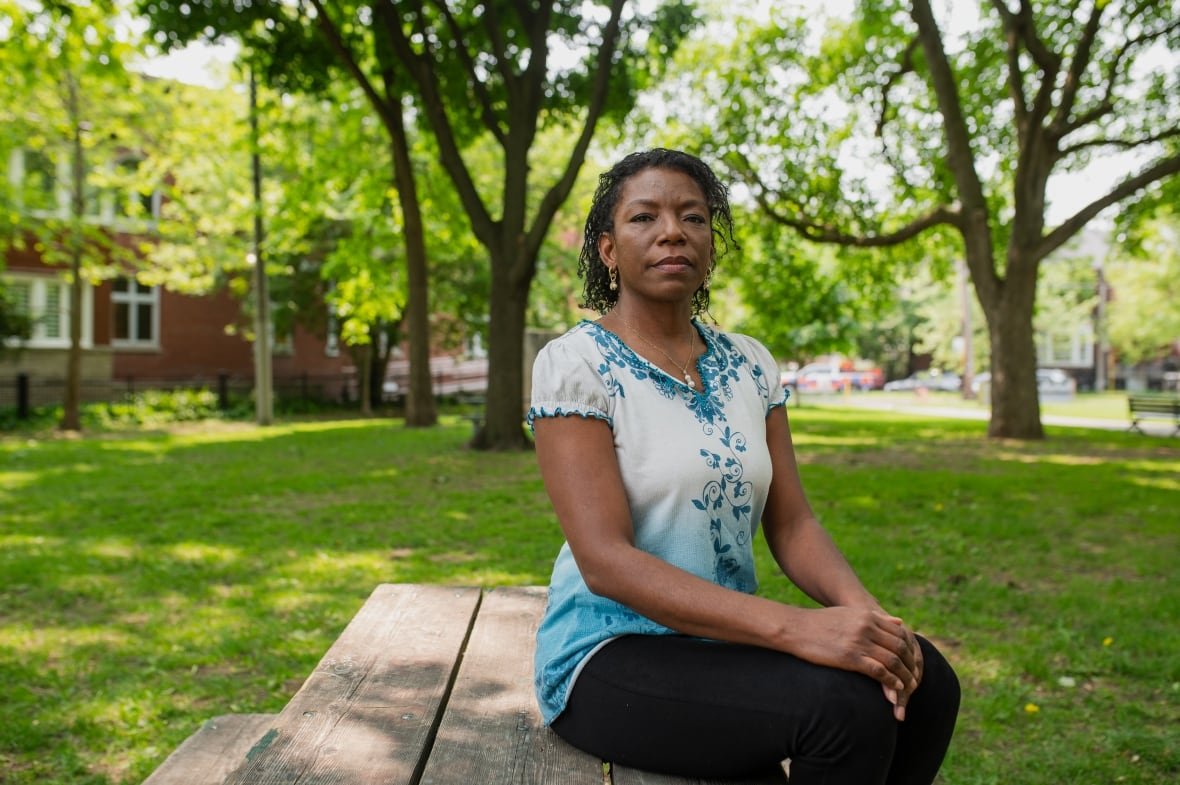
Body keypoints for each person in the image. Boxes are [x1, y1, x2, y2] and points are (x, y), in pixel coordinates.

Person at [526, 148, 960, 783]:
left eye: (693, 217)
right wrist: (795, 629)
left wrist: (869, 620)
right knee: (844, 712)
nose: (672, 230)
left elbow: (792, 524)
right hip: (608, 654)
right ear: (608, 250)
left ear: (710, 244)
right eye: (644, 217)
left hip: (720, 643)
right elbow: (605, 561)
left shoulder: (751, 364)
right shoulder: (576, 365)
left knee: (926, 681)